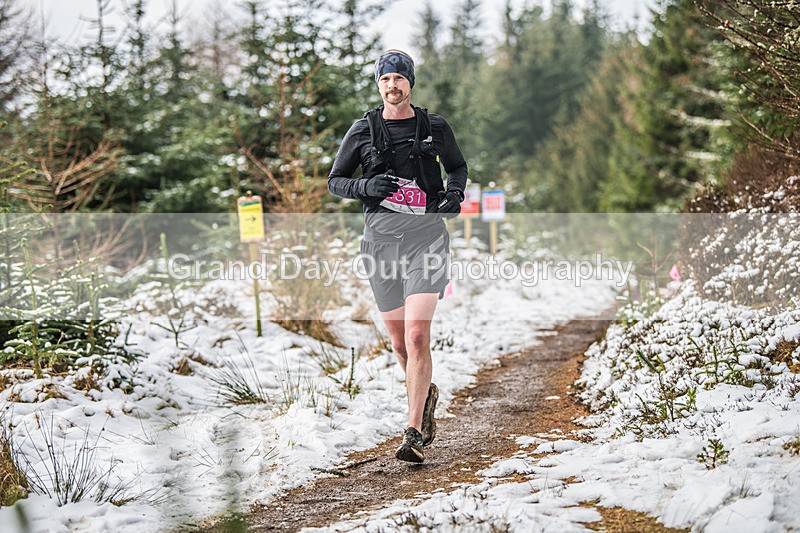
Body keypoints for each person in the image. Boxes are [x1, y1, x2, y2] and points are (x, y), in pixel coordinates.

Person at [327, 49, 468, 463]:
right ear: (379, 85)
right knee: (398, 341)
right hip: (380, 245)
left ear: (410, 83)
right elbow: (335, 181)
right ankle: (425, 397)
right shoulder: (362, 130)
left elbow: (457, 168)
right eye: (385, 79)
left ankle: (413, 431)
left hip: (426, 240)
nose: (393, 85)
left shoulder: (434, 127)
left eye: (399, 78)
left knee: (417, 335)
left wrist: (454, 194)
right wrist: (364, 188)